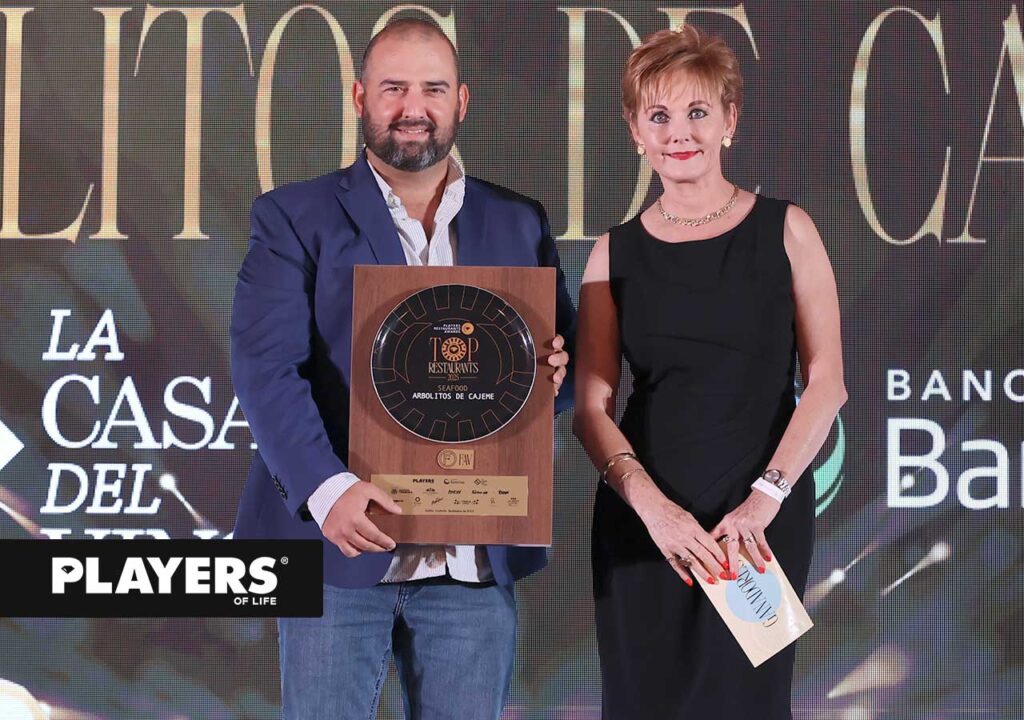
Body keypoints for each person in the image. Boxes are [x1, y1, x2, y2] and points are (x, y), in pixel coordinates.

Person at [230, 18, 575, 720]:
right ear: (360, 97)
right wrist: (326, 491)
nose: (413, 108)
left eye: (432, 89)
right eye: (394, 88)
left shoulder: (519, 221)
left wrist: (554, 373)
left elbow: (552, 374)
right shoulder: (294, 216)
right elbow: (266, 368)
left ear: (461, 101)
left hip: (472, 564)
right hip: (339, 550)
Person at [572, 24, 847, 719]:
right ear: (635, 131)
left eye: (697, 111)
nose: (679, 133)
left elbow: (828, 384)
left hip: (755, 525)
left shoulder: (788, 229)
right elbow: (590, 409)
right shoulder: (612, 253)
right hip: (645, 524)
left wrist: (765, 498)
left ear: (730, 119)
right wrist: (653, 510)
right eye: (658, 115)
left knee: (745, 704)